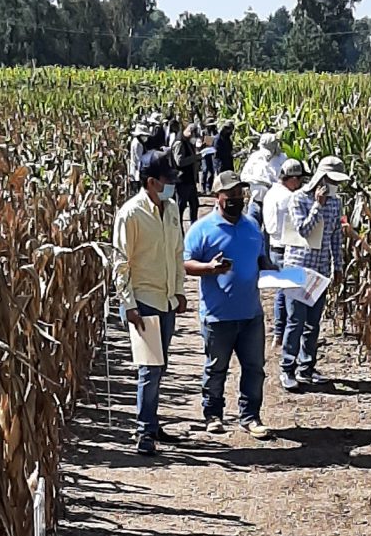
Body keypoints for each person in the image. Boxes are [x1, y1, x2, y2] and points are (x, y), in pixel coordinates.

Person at [112, 147, 188, 457]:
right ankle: (144, 432)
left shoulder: (171, 209)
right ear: (150, 181)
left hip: (166, 300)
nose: (170, 185)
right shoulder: (130, 213)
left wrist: (180, 290)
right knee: (149, 369)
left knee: (161, 365)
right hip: (143, 301)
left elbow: (177, 253)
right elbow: (120, 262)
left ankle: (153, 424)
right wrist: (128, 303)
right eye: (165, 180)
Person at [184, 167, 268, 437]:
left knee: (254, 368)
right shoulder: (202, 229)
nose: (236, 198)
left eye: (239, 193)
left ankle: (251, 417)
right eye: (229, 194)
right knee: (216, 368)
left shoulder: (252, 226)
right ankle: (213, 415)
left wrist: (280, 273)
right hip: (218, 315)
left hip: (251, 312)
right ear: (217, 196)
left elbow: (261, 259)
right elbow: (185, 263)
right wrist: (209, 268)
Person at [281, 156, 346, 389]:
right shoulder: (299, 198)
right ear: (321, 178)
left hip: (320, 269)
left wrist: (338, 266)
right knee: (295, 320)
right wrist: (317, 205)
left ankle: (306, 367)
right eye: (331, 180)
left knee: (313, 323)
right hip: (297, 267)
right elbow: (304, 230)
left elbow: (336, 236)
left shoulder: (336, 203)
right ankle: (287, 368)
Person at [261, 156, 323, 360]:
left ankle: (279, 334)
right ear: (293, 179)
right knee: (287, 298)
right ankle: (281, 335)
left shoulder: (271, 192)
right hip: (288, 249)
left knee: (282, 292)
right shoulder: (290, 197)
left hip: (274, 244)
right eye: (300, 180)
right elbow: (304, 229)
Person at [239, 128, 288, 227]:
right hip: (257, 201)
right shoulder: (255, 157)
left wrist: (274, 184)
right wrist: (261, 181)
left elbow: (286, 179)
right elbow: (244, 176)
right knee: (252, 229)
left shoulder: (282, 158)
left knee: (269, 233)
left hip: (275, 203)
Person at [173, 122, 202, 227]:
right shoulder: (179, 143)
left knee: (194, 204)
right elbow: (179, 161)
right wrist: (195, 158)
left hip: (190, 180)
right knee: (181, 207)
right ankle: (178, 230)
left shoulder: (188, 142)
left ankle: (194, 227)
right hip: (182, 180)